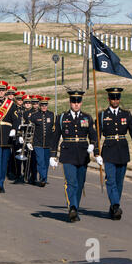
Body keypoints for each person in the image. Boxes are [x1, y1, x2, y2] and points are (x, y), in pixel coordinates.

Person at [50, 91, 102, 222]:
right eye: (74, 102)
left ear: (81, 102)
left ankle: (75, 208)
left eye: (78, 102)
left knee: (80, 183)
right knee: (70, 182)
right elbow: (55, 137)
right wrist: (52, 156)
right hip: (68, 154)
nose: (76, 104)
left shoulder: (87, 117)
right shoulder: (62, 117)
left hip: (83, 154)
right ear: (70, 103)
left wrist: (94, 148)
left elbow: (94, 135)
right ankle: (72, 207)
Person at [97, 87, 132, 220]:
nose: (115, 100)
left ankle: (113, 207)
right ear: (108, 99)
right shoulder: (102, 115)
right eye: (113, 98)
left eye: (117, 98)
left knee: (119, 182)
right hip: (109, 151)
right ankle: (116, 205)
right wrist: (96, 152)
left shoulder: (126, 114)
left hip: (122, 151)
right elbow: (96, 134)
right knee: (110, 180)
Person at [0, 80, 20, 194]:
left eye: (2, 90)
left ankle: (1, 182)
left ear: (5, 91)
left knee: (4, 162)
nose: (0, 92)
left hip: (7, 136)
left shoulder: (11, 105)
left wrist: (14, 129)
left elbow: (16, 119)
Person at [29, 96, 55, 187]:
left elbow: (54, 129)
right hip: (37, 142)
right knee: (40, 161)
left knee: (46, 162)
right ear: (39, 105)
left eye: (45, 105)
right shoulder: (34, 116)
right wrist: (29, 141)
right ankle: (43, 177)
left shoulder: (51, 115)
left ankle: (44, 178)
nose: (44, 107)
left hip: (48, 143)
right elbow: (30, 129)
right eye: (42, 105)